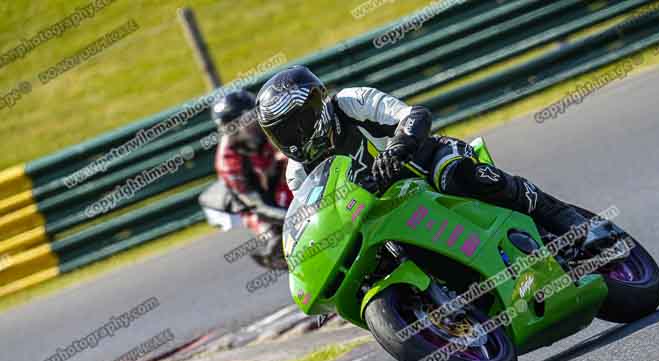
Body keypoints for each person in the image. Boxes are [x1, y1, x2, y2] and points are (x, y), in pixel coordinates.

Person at [254, 66, 614, 252]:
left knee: (459, 176)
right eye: (284, 133)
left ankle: (574, 225)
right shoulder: (298, 175)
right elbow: (312, 222)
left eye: (299, 124)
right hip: (386, 214)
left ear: (318, 104)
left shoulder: (349, 103)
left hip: (425, 164)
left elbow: (414, 116)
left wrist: (396, 150)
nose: (296, 138)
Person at [211, 89, 293, 266]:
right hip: (254, 202)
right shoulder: (229, 162)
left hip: (274, 175)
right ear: (232, 127)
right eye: (248, 118)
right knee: (274, 234)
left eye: (254, 113)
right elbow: (256, 206)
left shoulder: (262, 128)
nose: (255, 120)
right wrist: (293, 217)